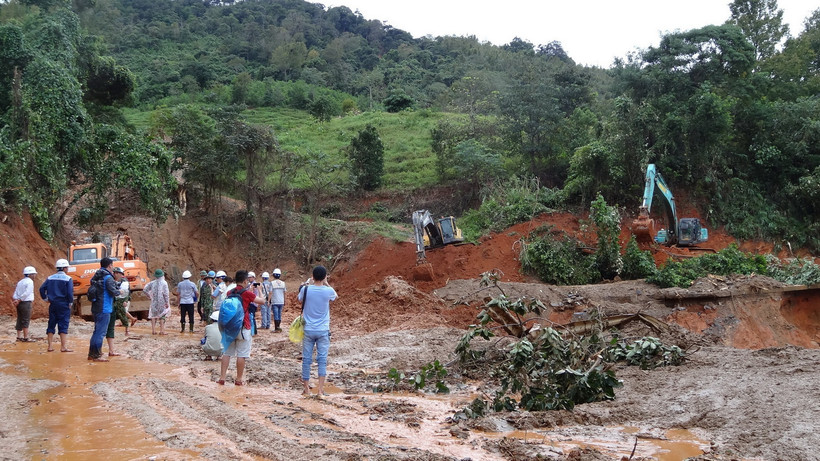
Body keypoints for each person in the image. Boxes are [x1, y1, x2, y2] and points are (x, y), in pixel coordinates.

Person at [218, 270, 266, 386]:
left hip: (230, 327)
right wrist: (259, 290)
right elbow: (262, 301)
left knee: (227, 353)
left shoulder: (230, 292)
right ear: (245, 281)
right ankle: (238, 379)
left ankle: (222, 378)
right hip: (243, 327)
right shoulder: (247, 294)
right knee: (241, 355)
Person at [298, 265, 337, 397]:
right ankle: (320, 390)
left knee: (306, 359)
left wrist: (307, 283)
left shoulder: (305, 289)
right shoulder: (328, 291)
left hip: (308, 329)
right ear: (325, 276)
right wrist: (326, 283)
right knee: (322, 359)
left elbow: (299, 298)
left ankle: (306, 389)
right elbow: (335, 296)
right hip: (323, 330)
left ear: (313, 276)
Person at [88, 257, 119, 362]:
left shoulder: (96, 276)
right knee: (100, 332)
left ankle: (92, 353)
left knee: (96, 331)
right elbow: (113, 291)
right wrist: (121, 292)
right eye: (112, 265)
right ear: (110, 265)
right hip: (104, 307)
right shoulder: (108, 277)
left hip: (96, 307)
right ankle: (96, 355)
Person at [39, 258, 74, 353]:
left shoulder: (50, 278)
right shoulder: (68, 279)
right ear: (64, 268)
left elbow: (42, 289)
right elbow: (70, 293)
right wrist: (70, 302)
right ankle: (63, 347)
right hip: (64, 304)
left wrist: (46, 299)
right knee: (63, 324)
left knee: (51, 323)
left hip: (53, 304)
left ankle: (50, 346)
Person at [103, 266, 126, 358]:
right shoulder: (111, 281)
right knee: (107, 329)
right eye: (120, 274)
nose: (121, 276)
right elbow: (115, 293)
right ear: (116, 273)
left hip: (109, 307)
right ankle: (109, 351)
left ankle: (110, 350)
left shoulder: (114, 281)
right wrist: (119, 292)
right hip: (108, 307)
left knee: (108, 328)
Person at [12, 266, 37, 342]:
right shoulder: (30, 282)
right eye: (33, 274)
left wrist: (16, 299)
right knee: (25, 319)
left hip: (19, 303)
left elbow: (15, 292)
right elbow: (27, 292)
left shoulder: (20, 282)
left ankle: (19, 336)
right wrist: (19, 300)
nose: (35, 276)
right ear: (30, 274)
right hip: (26, 302)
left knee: (19, 318)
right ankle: (26, 337)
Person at [145, 269, 170, 335]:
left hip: (154, 301)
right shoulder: (164, 283)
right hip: (162, 302)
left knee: (153, 315)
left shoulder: (152, 283)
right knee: (162, 316)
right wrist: (167, 302)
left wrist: (149, 296)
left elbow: (145, 289)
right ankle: (162, 331)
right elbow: (166, 294)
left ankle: (153, 330)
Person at [270, 268, 287, 332]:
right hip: (281, 301)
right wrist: (285, 300)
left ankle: (276, 328)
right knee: (279, 314)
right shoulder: (283, 283)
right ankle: (279, 327)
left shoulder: (272, 283)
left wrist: (269, 300)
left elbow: (270, 292)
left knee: (276, 315)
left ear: (274, 275)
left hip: (275, 301)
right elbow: (285, 293)